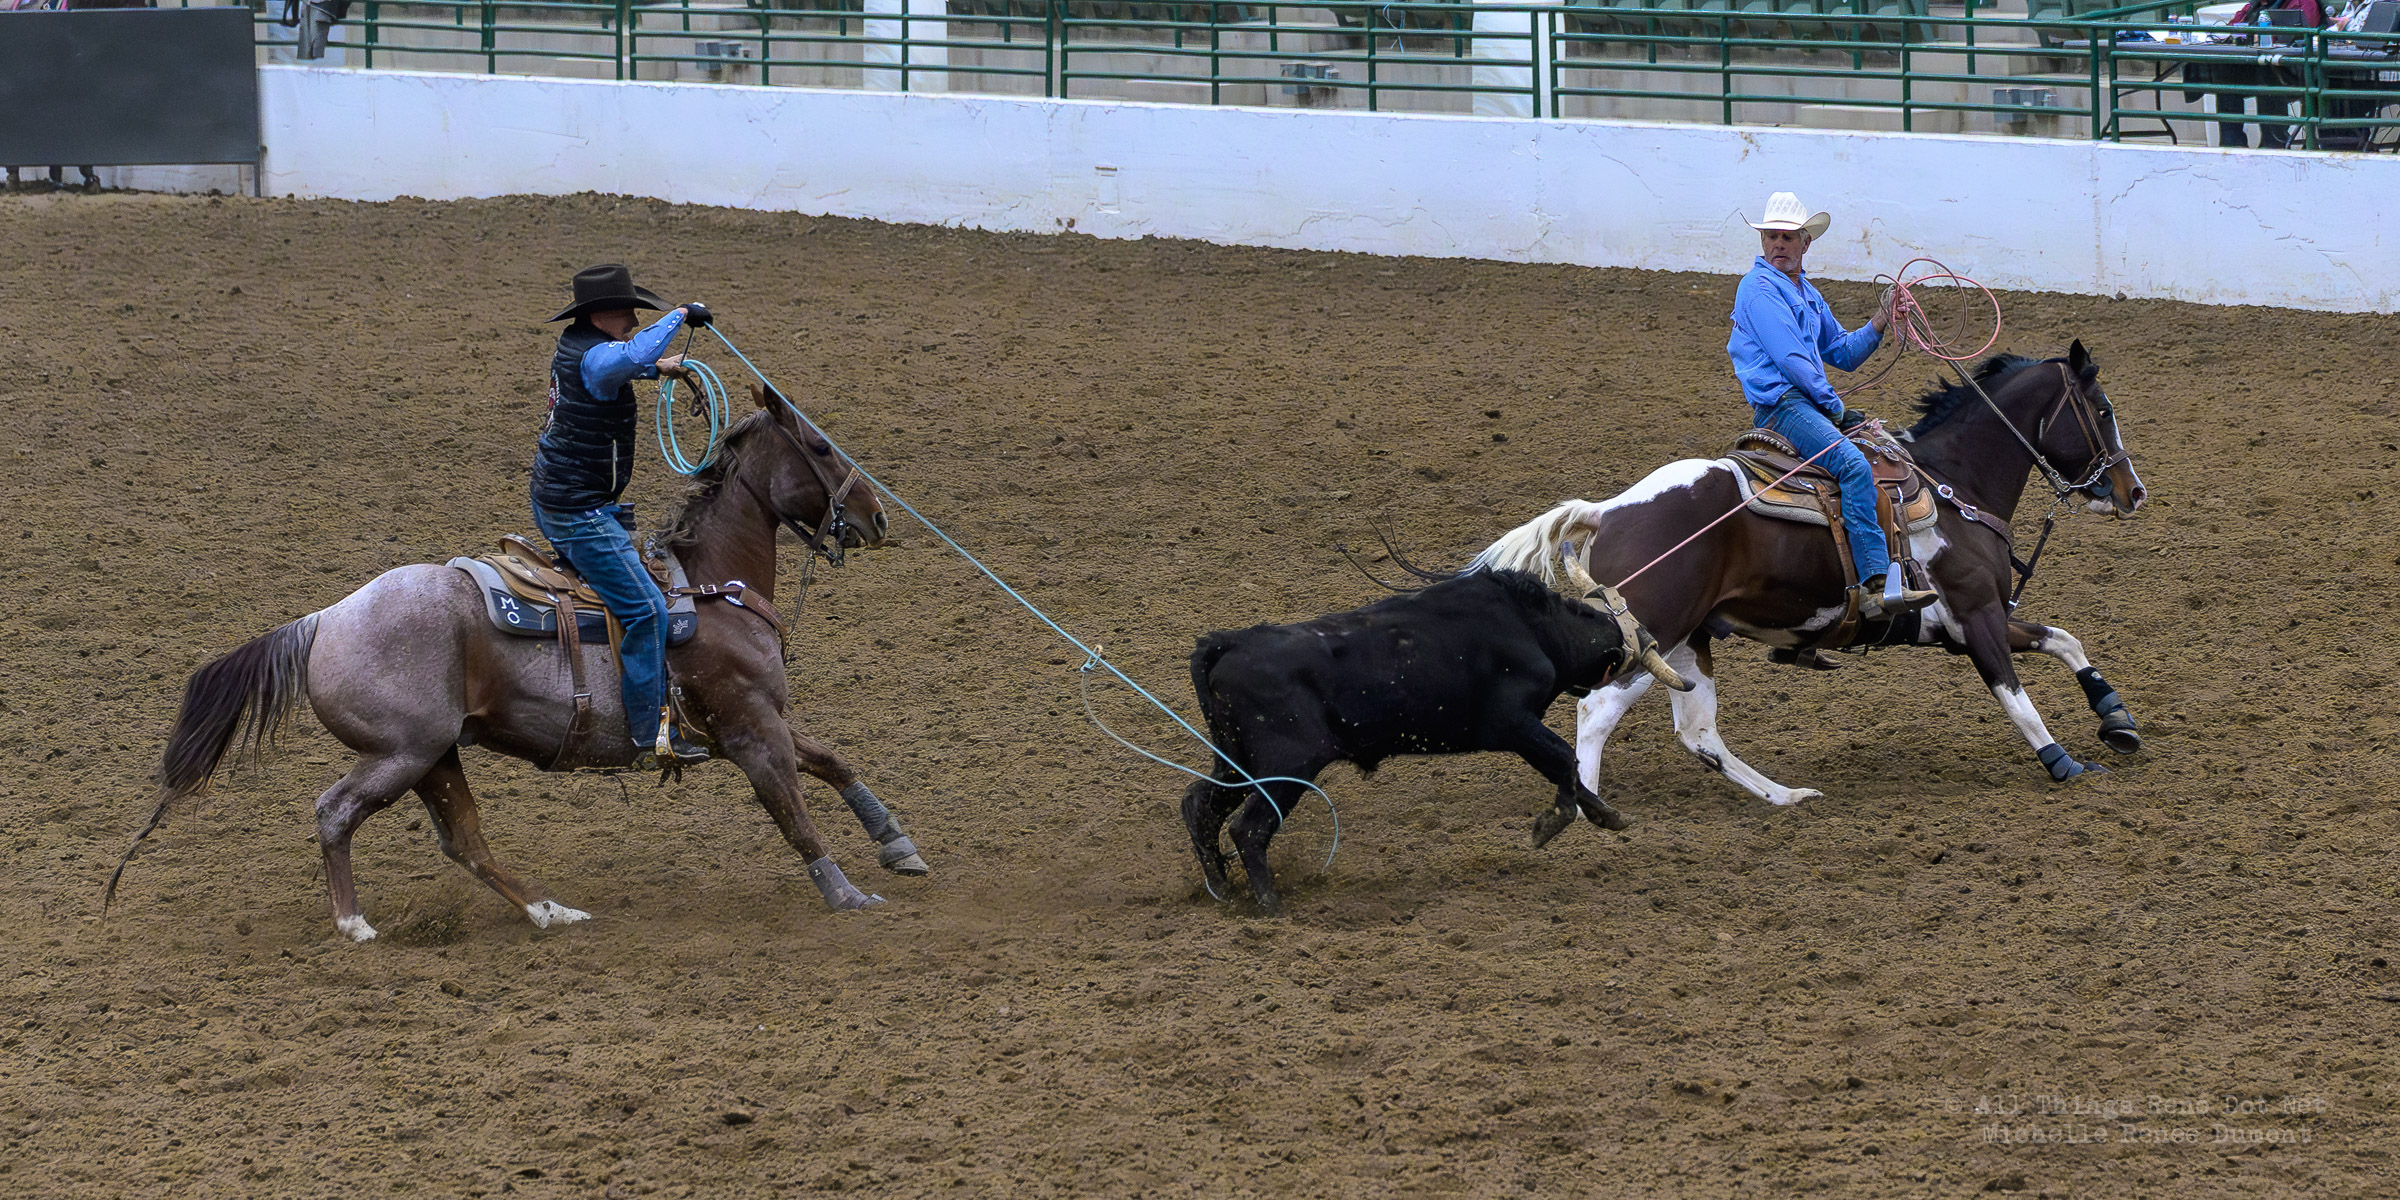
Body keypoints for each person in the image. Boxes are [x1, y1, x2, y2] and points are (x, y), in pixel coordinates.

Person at [532, 263, 714, 769]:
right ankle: (650, 734)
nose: (634, 320)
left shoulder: (580, 347)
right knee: (647, 610)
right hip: (578, 510)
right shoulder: (596, 357)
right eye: (627, 312)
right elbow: (626, 357)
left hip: (565, 496)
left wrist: (659, 369)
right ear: (602, 315)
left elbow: (622, 365)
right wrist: (680, 314)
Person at [1727, 191, 1936, 621]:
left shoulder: (1805, 292)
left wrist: (1880, 320)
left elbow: (1841, 350)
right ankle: (1875, 585)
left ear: (1806, 242)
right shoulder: (1758, 290)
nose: (1778, 244)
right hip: (1784, 406)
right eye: (1771, 236)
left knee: (1881, 454)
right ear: (1763, 241)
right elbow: (1792, 360)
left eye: (1787, 237)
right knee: (1854, 466)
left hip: (1805, 405)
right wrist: (1834, 407)